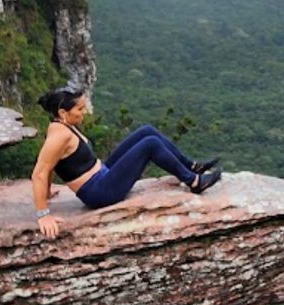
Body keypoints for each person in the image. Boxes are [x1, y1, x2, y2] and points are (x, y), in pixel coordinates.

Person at [31, 83, 221, 238]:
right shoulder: (58, 135)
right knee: (150, 144)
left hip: (102, 175)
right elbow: (40, 172)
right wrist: (43, 214)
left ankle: (192, 167)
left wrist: (47, 192)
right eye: (79, 109)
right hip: (99, 192)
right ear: (63, 113)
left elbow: (52, 165)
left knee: (146, 131)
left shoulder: (63, 126)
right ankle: (194, 182)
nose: (84, 113)